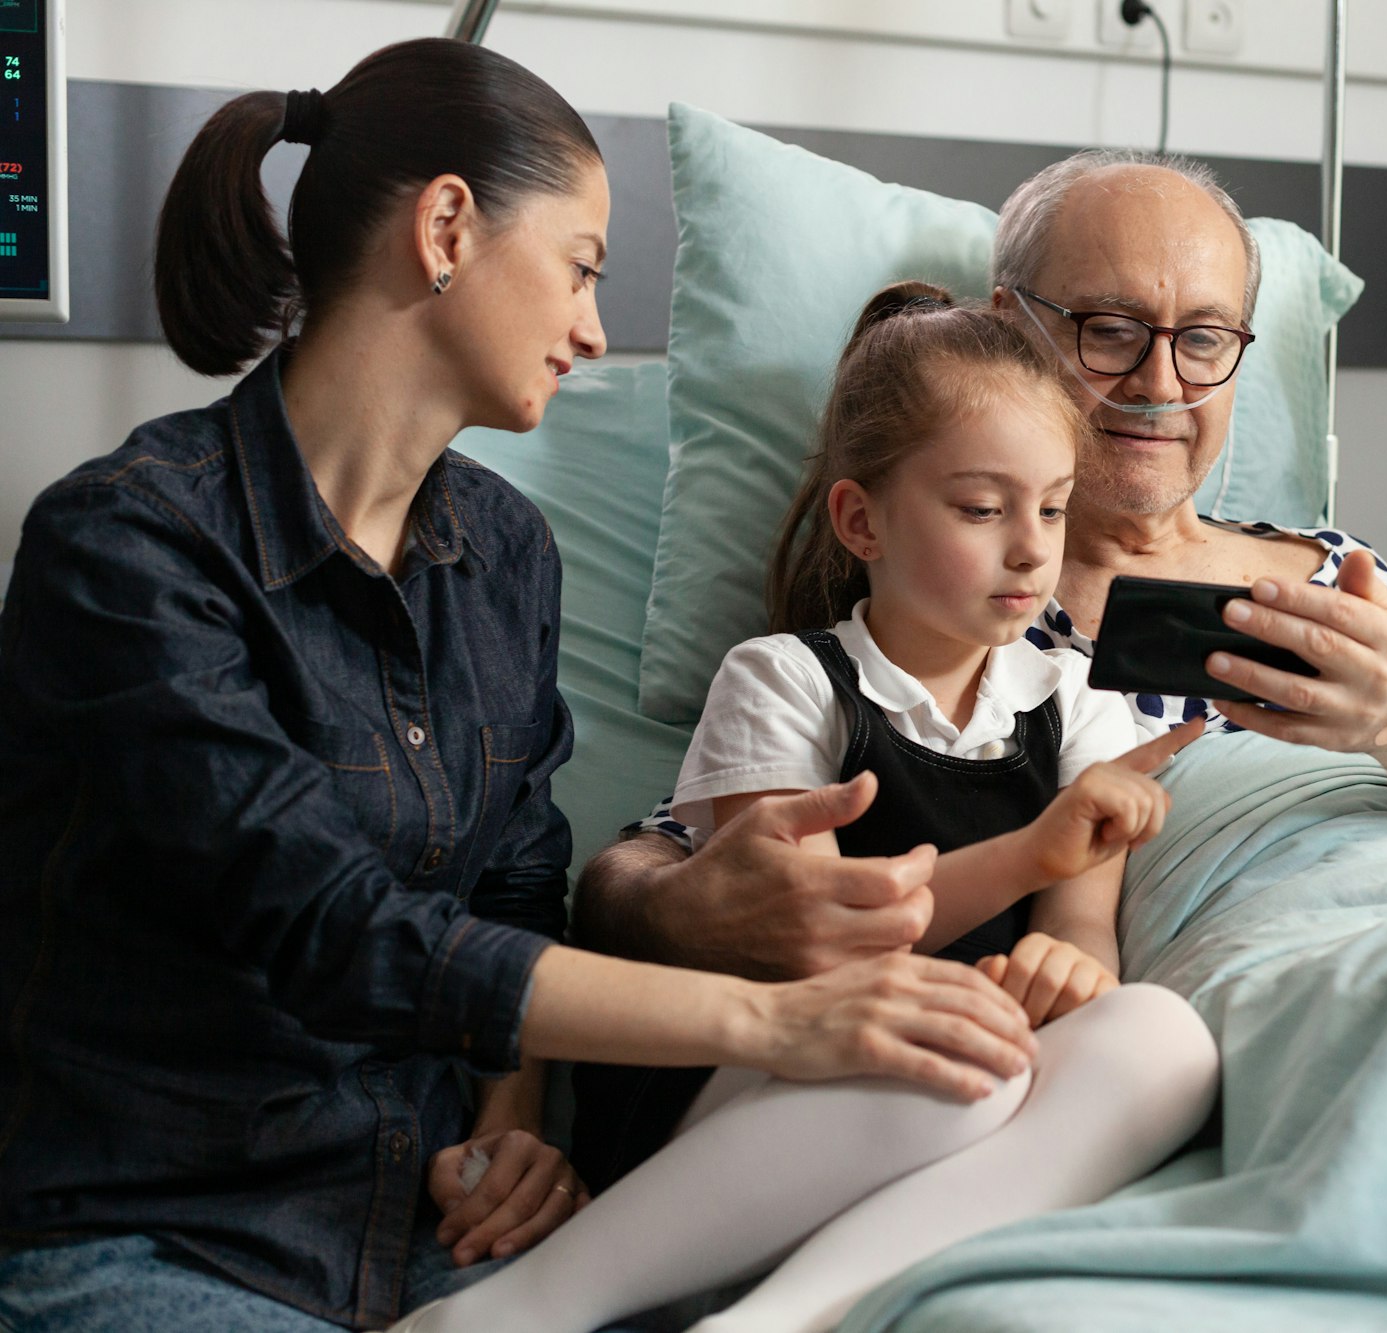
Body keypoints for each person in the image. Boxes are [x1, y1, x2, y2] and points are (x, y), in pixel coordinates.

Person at [0, 40, 1044, 1333]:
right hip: (158, 1237)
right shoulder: (128, 547)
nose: (596, 329)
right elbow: (336, 930)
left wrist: (511, 1130)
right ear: (446, 228)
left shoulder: (501, 550)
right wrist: (782, 1021)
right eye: (582, 267)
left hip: (442, 1229)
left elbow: (509, 878)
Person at [570, 150, 1387, 1182]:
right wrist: (678, 909)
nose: (1160, 381)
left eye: (1205, 337)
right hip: (1269, 1016)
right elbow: (666, 871)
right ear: (1005, 327)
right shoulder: (945, 627)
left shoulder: (1335, 573)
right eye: (1110, 330)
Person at [394, 282, 1216, 1333]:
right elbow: (823, 950)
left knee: (1162, 1043)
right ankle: (519, 1311)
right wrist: (1027, 856)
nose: (1028, 548)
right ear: (860, 518)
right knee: (939, 1054)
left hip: (940, 1100)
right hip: (750, 1081)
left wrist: (1065, 968)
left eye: (1052, 507)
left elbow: (1079, 935)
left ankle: (781, 1318)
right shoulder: (784, 681)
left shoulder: (1074, 701)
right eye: (980, 508)